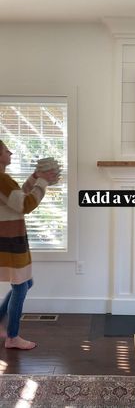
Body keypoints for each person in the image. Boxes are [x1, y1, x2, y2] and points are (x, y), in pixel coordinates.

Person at [0, 140, 58, 350]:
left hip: (10, 242)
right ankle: (13, 337)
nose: (10, 152)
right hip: (10, 244)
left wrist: (35, 177)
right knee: (21, 286)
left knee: (25, 284)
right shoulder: (2, 179)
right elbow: (26, 204)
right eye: (6, 150)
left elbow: (17, 198)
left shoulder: (4, 180)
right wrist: (42, 182)